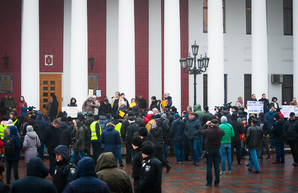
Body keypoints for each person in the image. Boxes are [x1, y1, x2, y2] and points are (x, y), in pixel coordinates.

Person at [200, 119, 225, 186]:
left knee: (209, 166)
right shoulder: (221, 131)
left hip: (209, 149)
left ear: (211, 124)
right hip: (217, 149)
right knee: (216, 166)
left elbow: (201, 131)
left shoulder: (207, 131)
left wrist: (205, 124)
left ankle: (209, 182)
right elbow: (222, 132)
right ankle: (217, 181)